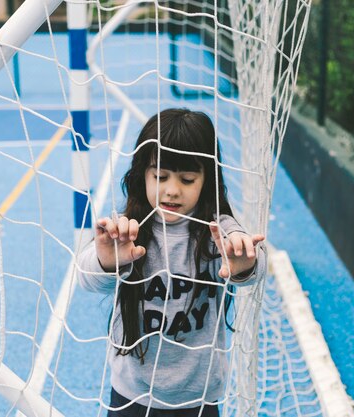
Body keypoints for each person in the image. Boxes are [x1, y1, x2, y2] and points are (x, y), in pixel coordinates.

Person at [77, 108, 266, 417]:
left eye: (187, 179)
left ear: (207, 179)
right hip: (132, 394)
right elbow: (85, 277)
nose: (172, 190)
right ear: (143, 175)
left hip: (197, 396)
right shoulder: (130, 230)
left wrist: (243, 264)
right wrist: (107, 261)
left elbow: (255, 265)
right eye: (160, 176)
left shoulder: (218, 230)